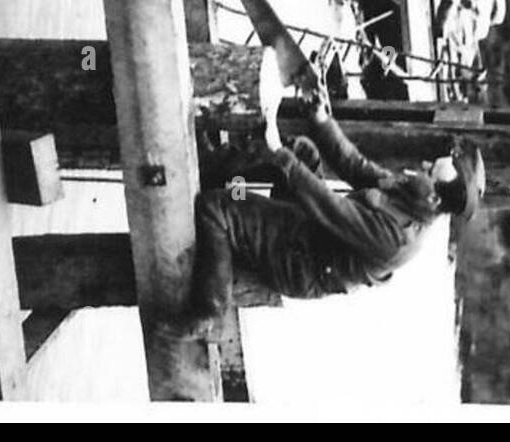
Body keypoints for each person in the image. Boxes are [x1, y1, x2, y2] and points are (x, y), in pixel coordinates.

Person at [170, 78, 486, 340]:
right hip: (312, 232)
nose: (426, 164)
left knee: (219, 208)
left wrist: (278, 153)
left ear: (436, 200)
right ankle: (210, 167)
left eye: (433, 170)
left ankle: (208, 309)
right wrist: (322, 121)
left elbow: (330, 207)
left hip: (299, 260)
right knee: (304, 151)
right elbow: (356, 167)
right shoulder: (414, 195)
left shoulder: (397, 238)